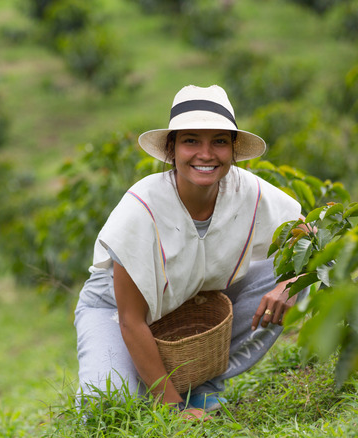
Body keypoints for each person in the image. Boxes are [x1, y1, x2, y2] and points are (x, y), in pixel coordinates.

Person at [74, 84, 304, 420]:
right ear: (172, 148)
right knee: (108, 408)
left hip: (187, 298)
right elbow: (130, 320)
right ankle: (174, 395)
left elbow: (307, 236)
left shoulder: (247, 191)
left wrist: (290, 284)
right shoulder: (143, 207)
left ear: (234, 148)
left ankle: (202, 385)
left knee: (290, 274)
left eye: (219, 141)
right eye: (191, 140)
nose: (206, 154)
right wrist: (175, 411)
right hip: (116, 309)